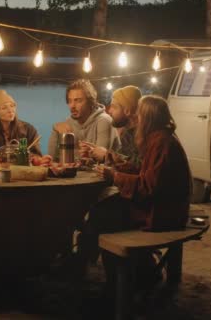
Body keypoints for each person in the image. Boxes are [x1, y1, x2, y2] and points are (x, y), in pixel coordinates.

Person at [79, 95, 192, 287]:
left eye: (140, 114)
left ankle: (117, 283)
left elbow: (148, 187)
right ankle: (130, 273)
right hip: (162, 206)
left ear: (149, 118)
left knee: (102, 217)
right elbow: (145, 172)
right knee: (104, 210)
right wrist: (112, 162)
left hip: (163, 213)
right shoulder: (159, 137)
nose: (137, 118)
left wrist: (114, 177)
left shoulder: (161, 143)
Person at [47, 79, 118, 159]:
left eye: (78, 101)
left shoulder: (104, 120)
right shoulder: (68, 123)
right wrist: (55, 130)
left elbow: (101, 160)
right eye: (70, 101)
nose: (72, 106)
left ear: (90, 102)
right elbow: (51, 159)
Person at [80, 85, 142, 170]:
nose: (109, 111)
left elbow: (140, 167)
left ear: (127, 110)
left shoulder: (144, 135)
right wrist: (93, 156)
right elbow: (122, 166)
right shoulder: (126, 133)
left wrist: (106, 155)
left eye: (114, 107)